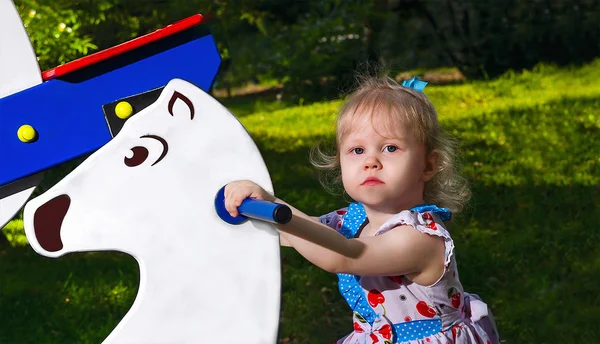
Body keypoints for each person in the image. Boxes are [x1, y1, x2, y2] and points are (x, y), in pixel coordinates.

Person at [224, 75, 499, 344]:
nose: (371, 161)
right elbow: (298, 233)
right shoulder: (353, 220)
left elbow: (344, 255)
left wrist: (275, 206)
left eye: (390, 148)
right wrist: (245, 210)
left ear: (428, 166)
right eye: (357, 150)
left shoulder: (420, 238)